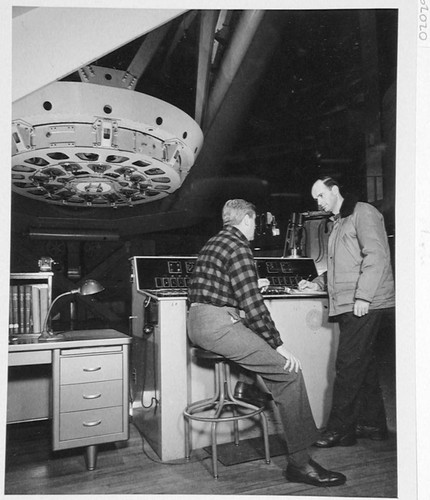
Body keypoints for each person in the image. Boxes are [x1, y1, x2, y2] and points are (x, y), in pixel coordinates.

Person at [187, 198, 346, 487]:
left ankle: (249, 389)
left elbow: (218, 289)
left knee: (258, 354)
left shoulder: (214, 242)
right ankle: (300, 464)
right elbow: (253, 304)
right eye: (255, 222)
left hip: (197, 324)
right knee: (289, 373)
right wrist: (278, 344)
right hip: (218, 325)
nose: (255, 228)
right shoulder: (238, 245)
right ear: (247, 219)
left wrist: (243, 291)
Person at [298, 177, 395, 448]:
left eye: (320, 195)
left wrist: (363, 296)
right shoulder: (340, 222)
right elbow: (341, 267)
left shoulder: (362, 212)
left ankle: (340, 429)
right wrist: (316, 283)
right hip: (350, 303)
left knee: (348, 365)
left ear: (335, 190)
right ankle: (373, 424)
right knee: (362, 364)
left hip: (363, 303)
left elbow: (376, 255)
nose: (318, 202)